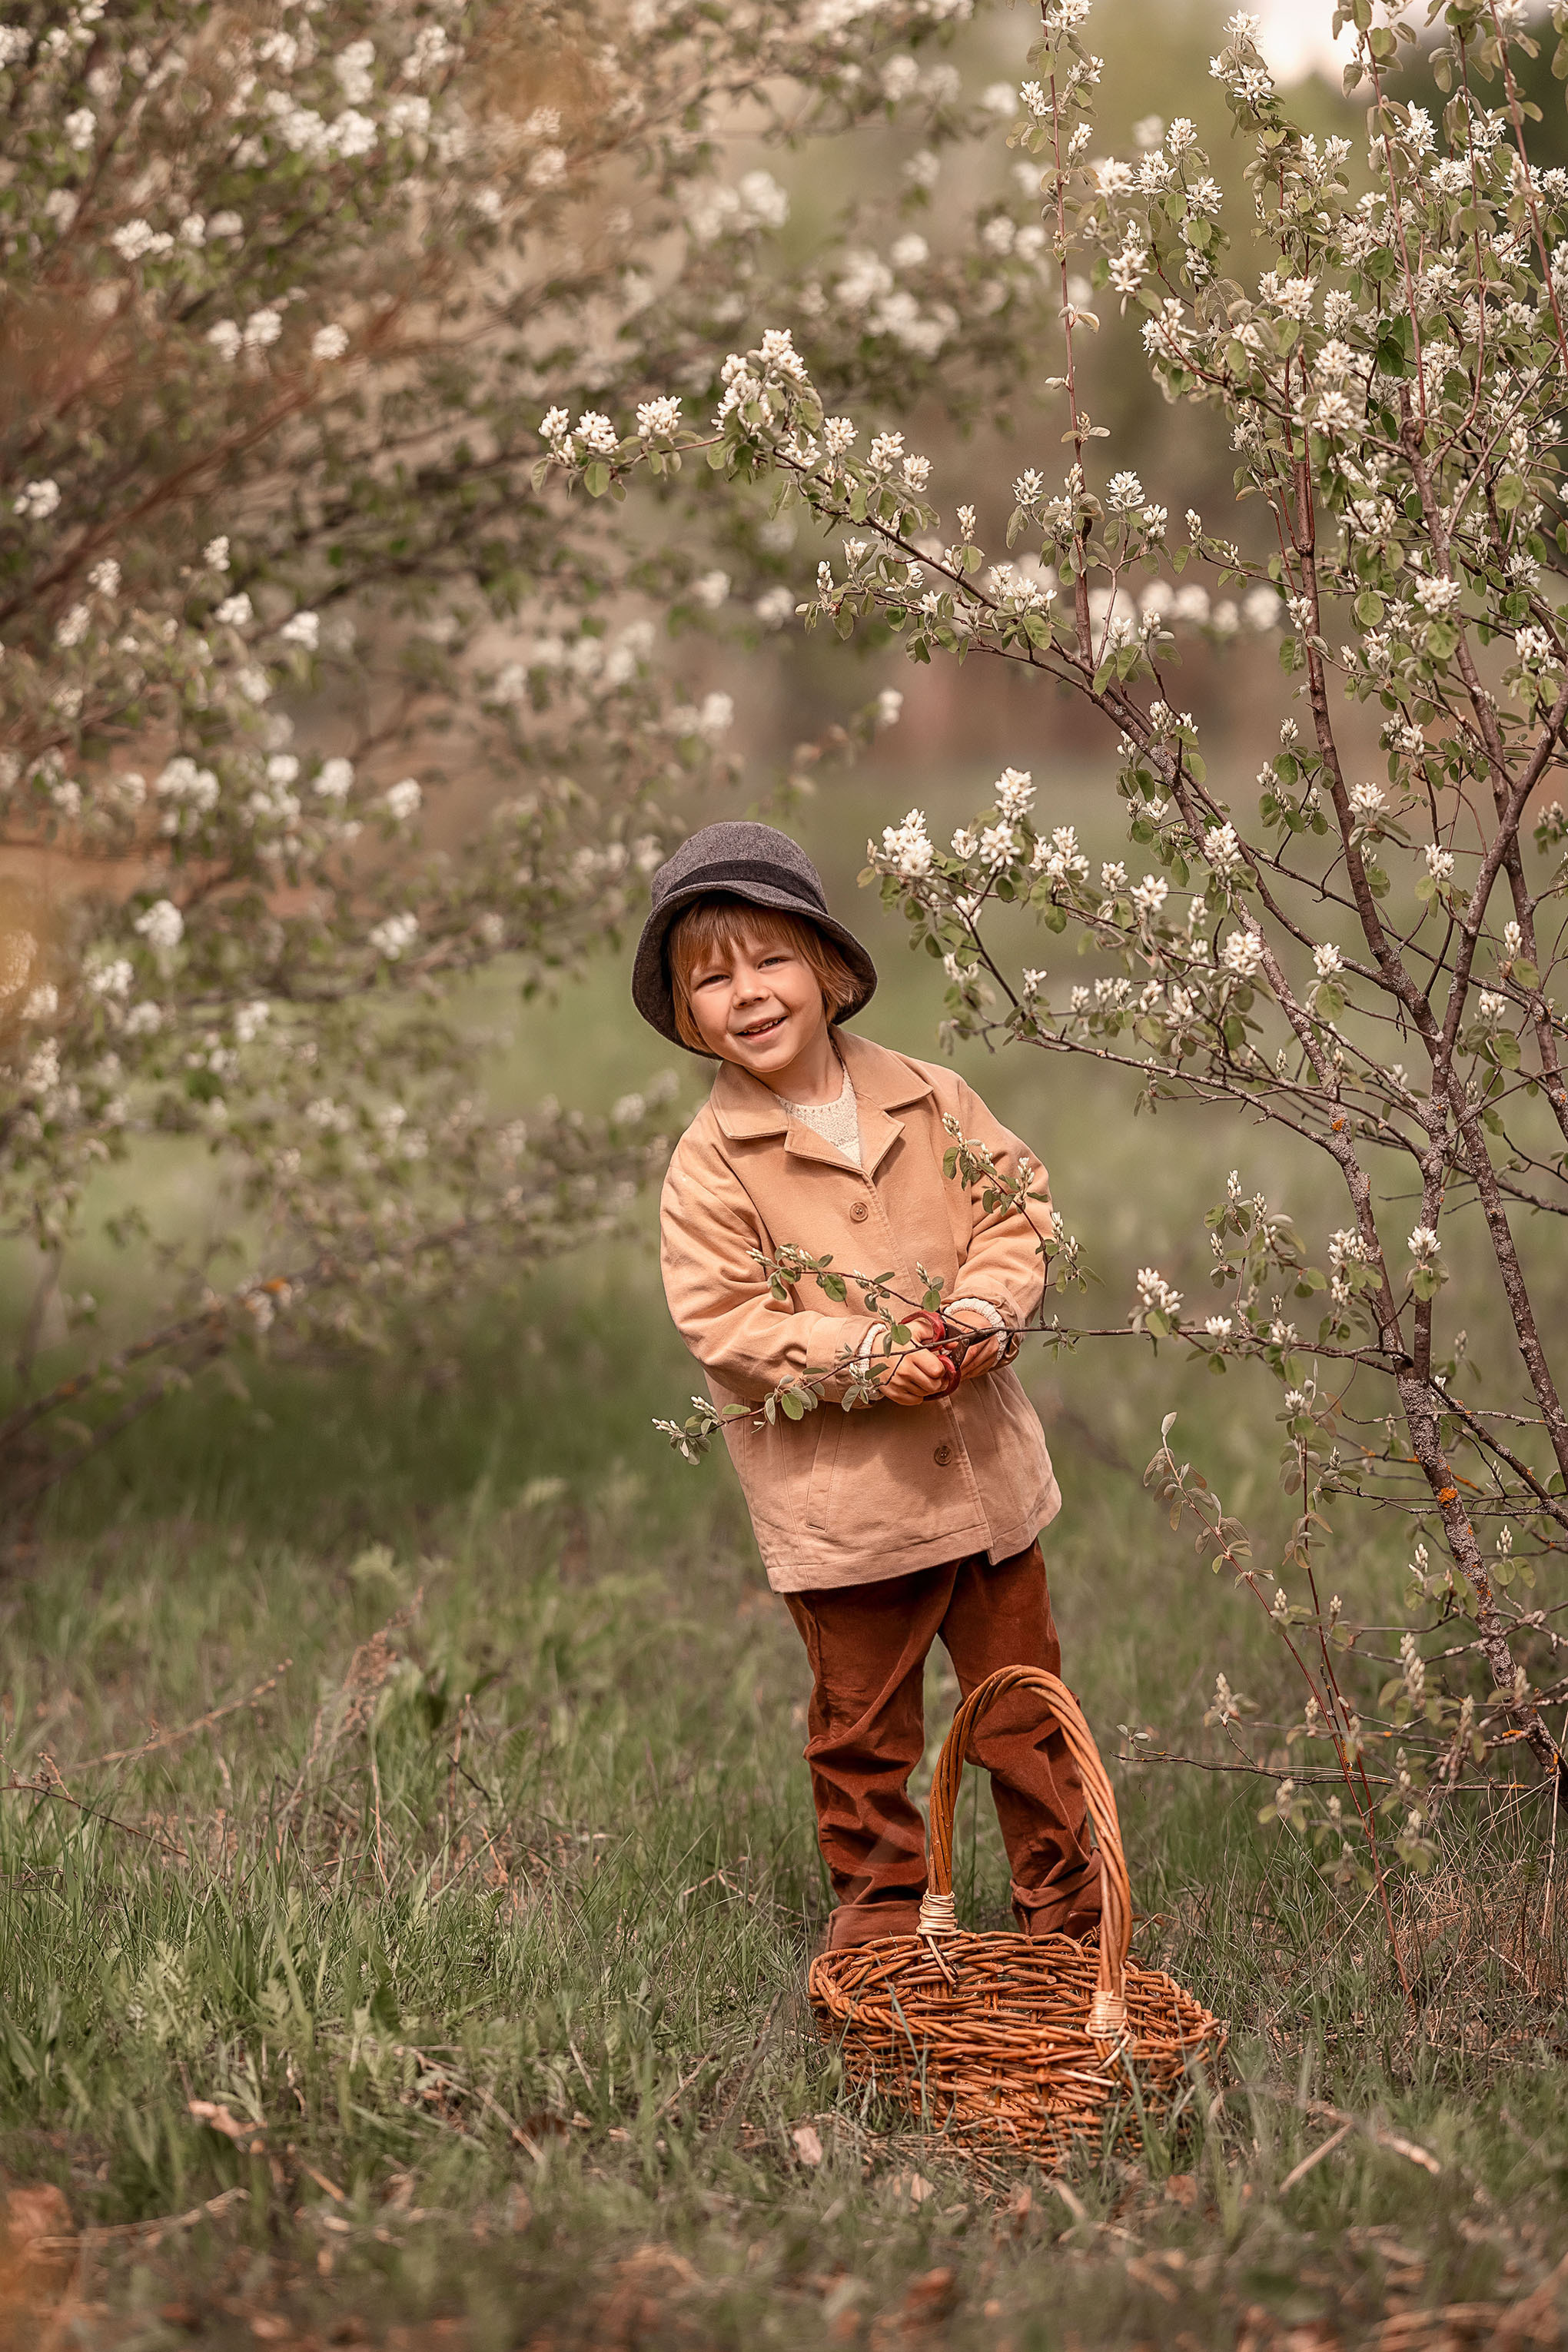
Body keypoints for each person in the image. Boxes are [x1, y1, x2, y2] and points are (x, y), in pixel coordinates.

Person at [633, 820, 1100, 1953]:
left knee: (1025, 1713)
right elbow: (727, 1320)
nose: (747, 993)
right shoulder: (711, 1165)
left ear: (827, 967)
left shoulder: (930, 1096)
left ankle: (1071, 1922)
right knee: (864, 1732)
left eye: (769, 959)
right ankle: (884, 1926)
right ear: (688, 1013)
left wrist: (987, 1309)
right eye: (711, 977)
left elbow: (1015, 1207)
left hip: (986, 1491)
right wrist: (862, 1356)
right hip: (852, 1518)